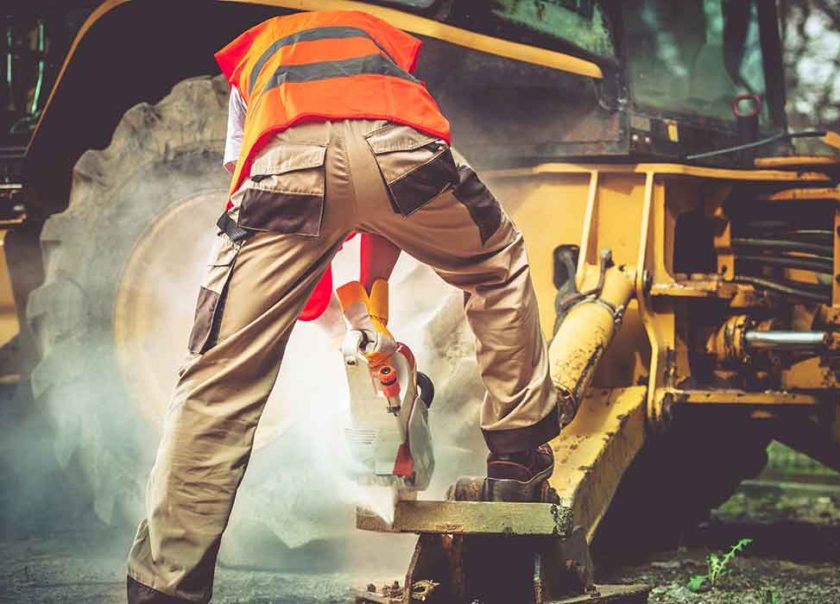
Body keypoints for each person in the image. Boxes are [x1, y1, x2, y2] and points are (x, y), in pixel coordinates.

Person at [126, 10, 559, 603]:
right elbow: (381, 193)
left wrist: (353, 322)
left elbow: (280, 204)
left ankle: (164, 586)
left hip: (285, 169)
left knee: (218, 375)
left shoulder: (251, 61)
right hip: (403, 156)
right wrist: (361, 321)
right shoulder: (381, 39)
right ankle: (516, 459)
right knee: (496, 264)